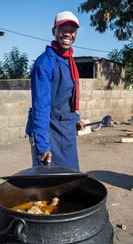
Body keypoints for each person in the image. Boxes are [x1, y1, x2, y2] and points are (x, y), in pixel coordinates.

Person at [26, 11, 85, 170]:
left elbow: (67, 97)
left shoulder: (69, 61)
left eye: (72, 30)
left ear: (76, 34)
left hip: (66, 131)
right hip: (48, 133)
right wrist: (43, 145)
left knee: (72, 178)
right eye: (62, 28)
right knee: (49, 184)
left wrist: (76, 118)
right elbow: (40, 107)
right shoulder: (45, 63)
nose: (68, 33)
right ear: (54, 31)